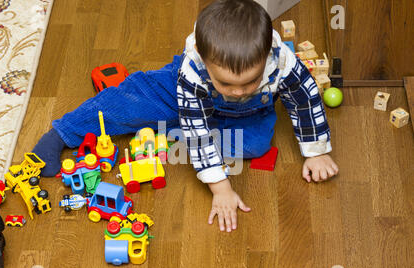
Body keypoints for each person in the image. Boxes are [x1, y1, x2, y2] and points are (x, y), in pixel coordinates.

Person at [32, 0, 339, 232]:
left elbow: (305, 99)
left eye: (250, 81)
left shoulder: (282, 62)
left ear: (265, 61)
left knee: (257, 144)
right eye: (227, 83)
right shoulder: (194, 71)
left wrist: (317, 151)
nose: (237, 91)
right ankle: (62, 132)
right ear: (206, 62)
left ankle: (176, 134)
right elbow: (198, 118)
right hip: (182, 92)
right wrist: (221, 187)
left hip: (247, 112)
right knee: (131, 101)